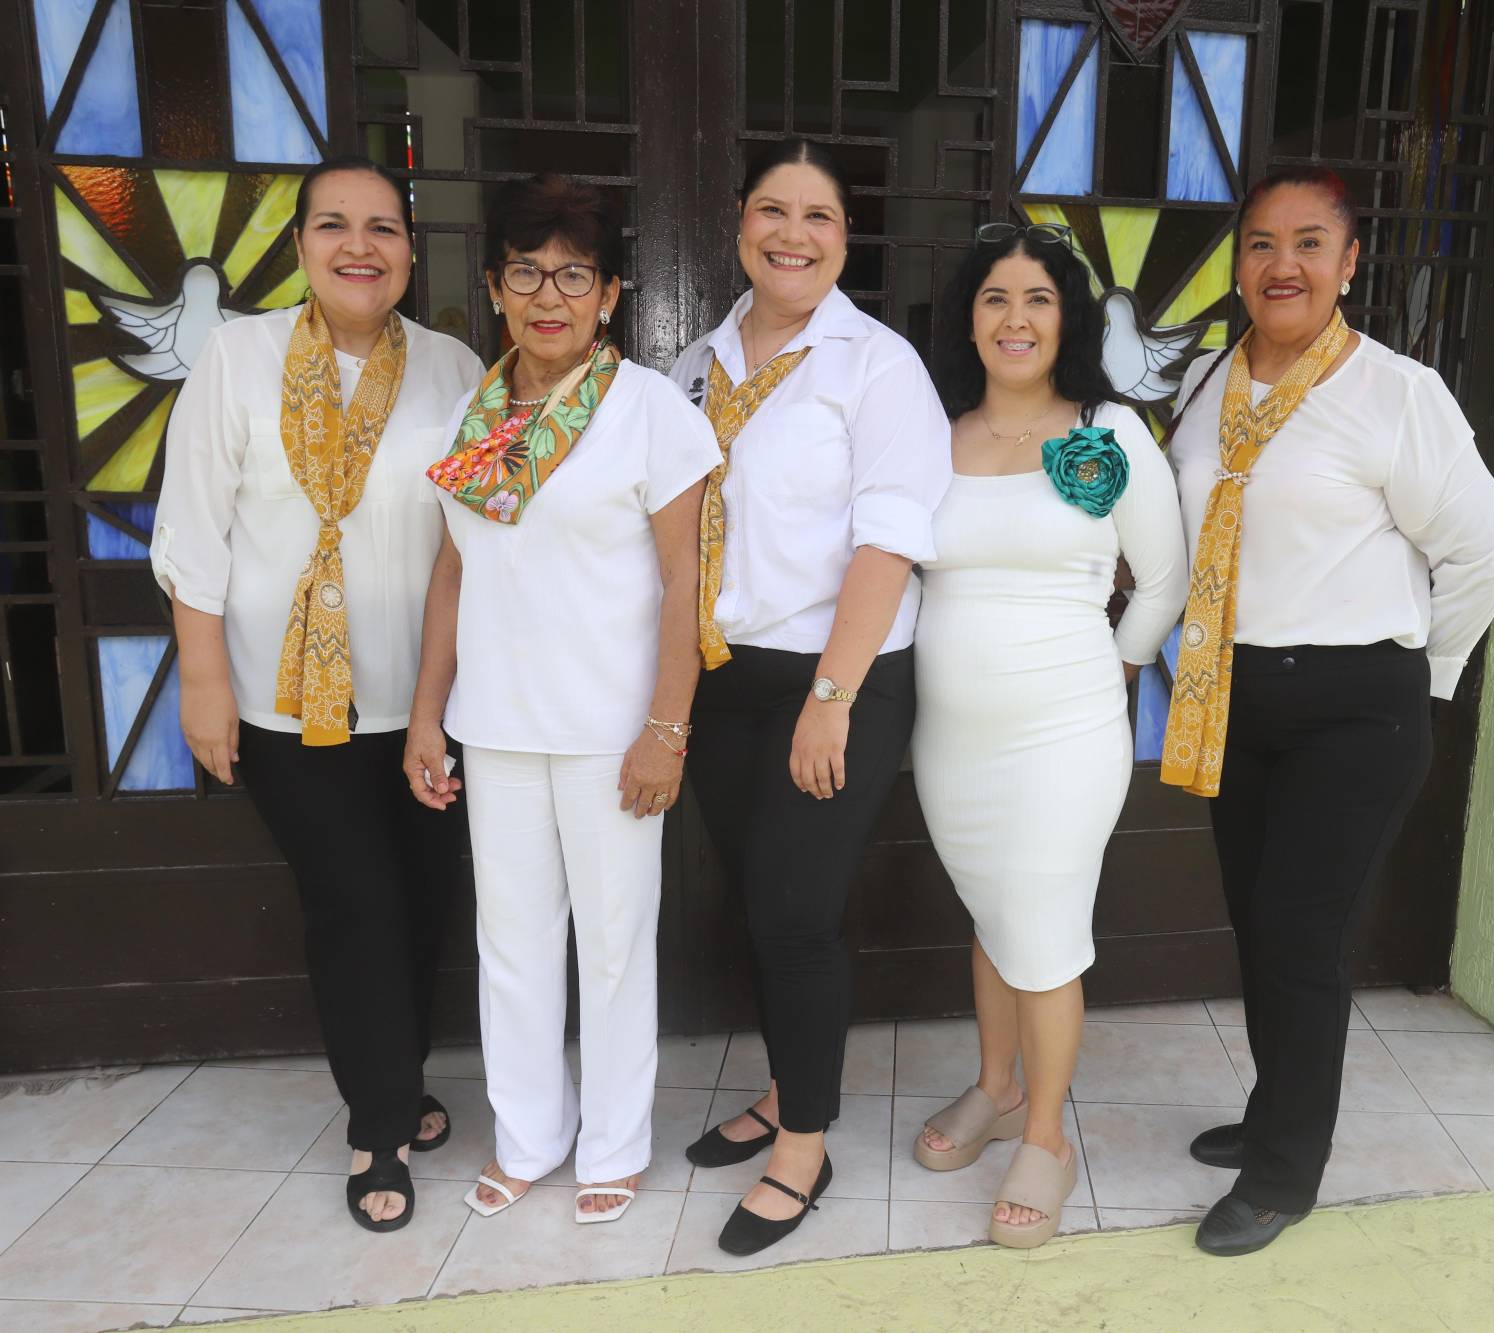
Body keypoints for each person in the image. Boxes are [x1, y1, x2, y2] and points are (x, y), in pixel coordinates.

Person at [1161, 166, 1494, 1256]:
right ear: (1239, 264)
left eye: (1309, 242)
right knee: (1258, 920)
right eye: (1262, 243)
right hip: (1237, 697)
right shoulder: (1212, 383)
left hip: (1355, 707)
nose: (1283, 265)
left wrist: (1423, 672)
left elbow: (1487, 548)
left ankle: (1283, 1172)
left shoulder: (1394, 392)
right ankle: (1277, 1106)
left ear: (1349, 261)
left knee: (1299, 934)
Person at [152, 155, 483, 1232]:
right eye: (334, 225)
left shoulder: (452, 368)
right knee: (357, 906)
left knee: (423, 904)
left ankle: (399, 1074)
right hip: (287, 707)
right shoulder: (237, 359)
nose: (359, 246)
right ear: (298, 246)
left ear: (409, 251)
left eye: (383, 226)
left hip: (426, 701)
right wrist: (204, 680)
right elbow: (193, 528)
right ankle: (378, 1122)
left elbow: (479, 541)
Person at [404, 176, 718, 1226]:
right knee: (512, 942)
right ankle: (529, 1134)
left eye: (575, 275)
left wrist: (666, 728)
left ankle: (614, 1143)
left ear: (611, 294)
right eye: (527, 273)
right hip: (495, 725)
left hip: (608, 731)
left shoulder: (649, 411)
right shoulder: (478, 410)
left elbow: (684, 579)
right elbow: (454, 570)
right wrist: (427, 715)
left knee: (615, 944)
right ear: (495, 288)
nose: (550, 296)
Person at [668, 138, 951, 1256]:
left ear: (846, 235)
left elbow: (890, 539)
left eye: (818, 216)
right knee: (757, 900)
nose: (793, 235)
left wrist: (831, 696)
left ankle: (805, 1144)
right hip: (726, 678)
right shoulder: (692, 364)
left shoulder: (876, 365)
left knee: (794, 911)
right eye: (772, 211)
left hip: (839, 677)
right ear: (740, 222)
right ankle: (789, 1086)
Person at [908, 221, 1189, 1248]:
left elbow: (1162, 582)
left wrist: (1115, 668)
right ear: (968, 319)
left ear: (1067, 318)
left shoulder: (1108, 433)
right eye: (994, 298)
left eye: (1037, 298)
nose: (1015, 318)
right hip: (951, 743)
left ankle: (1047, 1137)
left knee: (1044, 931)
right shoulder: (932, 435)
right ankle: (996, 1088)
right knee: (995, 915)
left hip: (1064, 735)